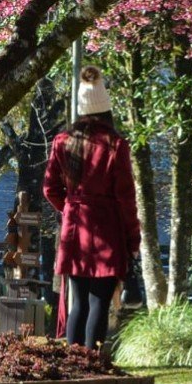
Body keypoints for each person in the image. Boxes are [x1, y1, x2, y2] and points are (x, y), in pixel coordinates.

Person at [43, 66, 141, 350]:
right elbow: (126, 197)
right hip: (107, 229)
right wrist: (132, 238)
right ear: (106, 110)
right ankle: (92, 358)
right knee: (100, 300)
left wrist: (71, 209)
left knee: (79, 300)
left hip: (75, 230)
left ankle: (73, 361)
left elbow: (49, 189)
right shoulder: (116, 145)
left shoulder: (63, 142)